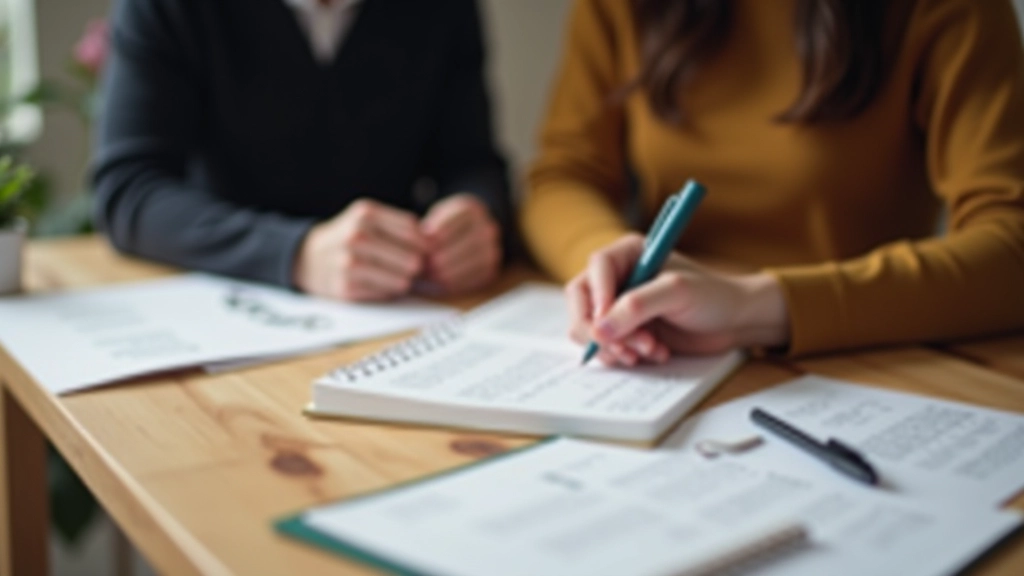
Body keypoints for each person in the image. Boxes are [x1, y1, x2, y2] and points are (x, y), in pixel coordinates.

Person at [520, 0, 1024, 365]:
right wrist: (615, 268)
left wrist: (758, 307)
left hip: (866, 356)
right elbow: (564, 174)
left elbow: (1012, 247)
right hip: (674, 352)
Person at [94, 0, 511, 301]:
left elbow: (472, 160)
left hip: (397, 306)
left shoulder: (443, 9)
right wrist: (296, 253)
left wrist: (474, 213)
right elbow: (128, 191)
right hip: (230, 304)